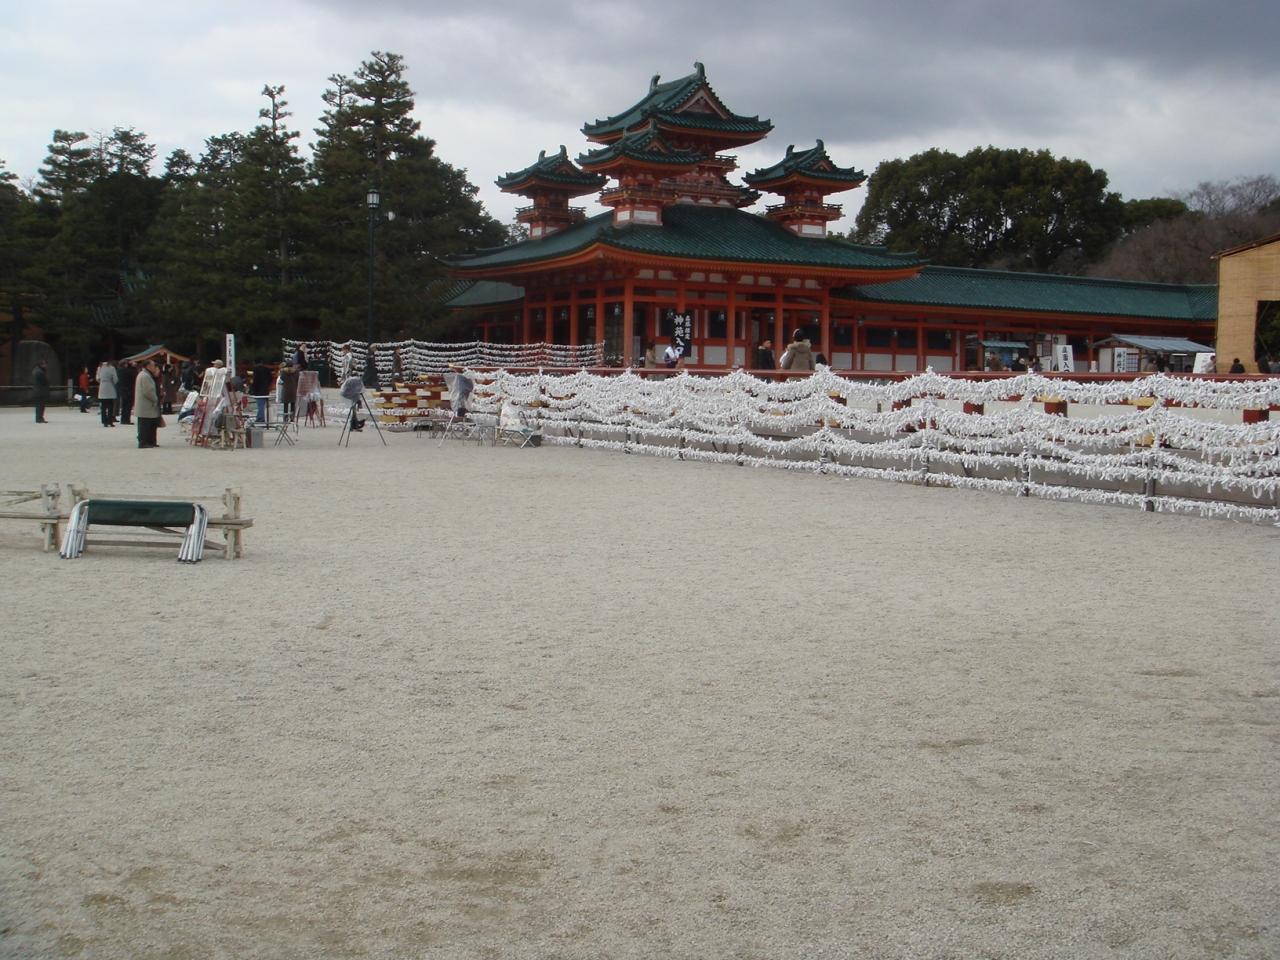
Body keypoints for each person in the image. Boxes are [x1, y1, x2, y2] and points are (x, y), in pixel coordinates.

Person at [134, 357, 162, 448]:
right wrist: (155, 399)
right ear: (148, 366)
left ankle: (150, 441)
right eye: (153, 365)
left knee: (149, 424)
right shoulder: (145, 376)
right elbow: (148, 391)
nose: (155, 367)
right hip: (146, 405)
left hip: (146, 405)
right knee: (145, 425)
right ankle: (143, 442)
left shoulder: (144, 374)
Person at [96, 359, 118, 427]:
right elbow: (115, 379)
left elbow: (97, 378)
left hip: (102, 387)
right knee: (110, 406)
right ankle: (110, 421)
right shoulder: (112, 368)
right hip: (110, 387)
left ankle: (104, 421)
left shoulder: (99, 368)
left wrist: (101, 382)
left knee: (103, 407)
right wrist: (113, 382)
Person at [251, 359, 274, 423]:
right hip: (265, 389)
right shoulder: (267, 369)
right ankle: (262, 417)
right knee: (263, 404)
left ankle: (260, 418)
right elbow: (270, 378)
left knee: (260, 405)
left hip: (258, 389)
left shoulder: (256, 369)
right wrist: (267, 384)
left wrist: (252, 389)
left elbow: (255, 380)